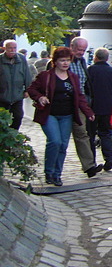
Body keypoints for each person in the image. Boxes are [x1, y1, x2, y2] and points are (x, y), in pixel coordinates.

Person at [27, 47, 95, 186]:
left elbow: (80, 96)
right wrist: (40, 97)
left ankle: (57, 174)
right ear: (55, 61)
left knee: (63, 145)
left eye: (68, 61)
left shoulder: (73, 77)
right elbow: (31, 89)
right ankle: (49, 171)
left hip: (67, 115)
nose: (65, 63)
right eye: (62, 60)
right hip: (49, 114)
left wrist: (88, 112)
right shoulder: (46, 76)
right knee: (55, 141)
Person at [69, 37, 103, 178]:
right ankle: (52, 172)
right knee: (59, 140)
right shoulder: (62, 60)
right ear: (72, 47)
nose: (81, 52)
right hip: (63, 104)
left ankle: (89, 166)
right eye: (79, 49)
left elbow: (85, 84)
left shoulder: (82, 62)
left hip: (80, 103)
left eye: (83, 50)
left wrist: (88, 102)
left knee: (82, 134)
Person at [87, 48, 112, 171]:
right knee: (106, 133)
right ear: (107, 58)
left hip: (92, 107)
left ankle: (91, 161)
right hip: (107, 107)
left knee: (90, 135)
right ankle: (109, 157)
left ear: (95, 57)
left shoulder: (90, 70)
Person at [0, 39, 32, 130]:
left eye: (14, 48)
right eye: (10, 48)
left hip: (17, 94)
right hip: (2, 95)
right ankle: (4, 137)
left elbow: (27, 74)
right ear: (4, 48)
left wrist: (27, 89)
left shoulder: (21, 59)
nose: (12, 50)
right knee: (3, 119)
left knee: (18, 116)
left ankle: (13, 133)